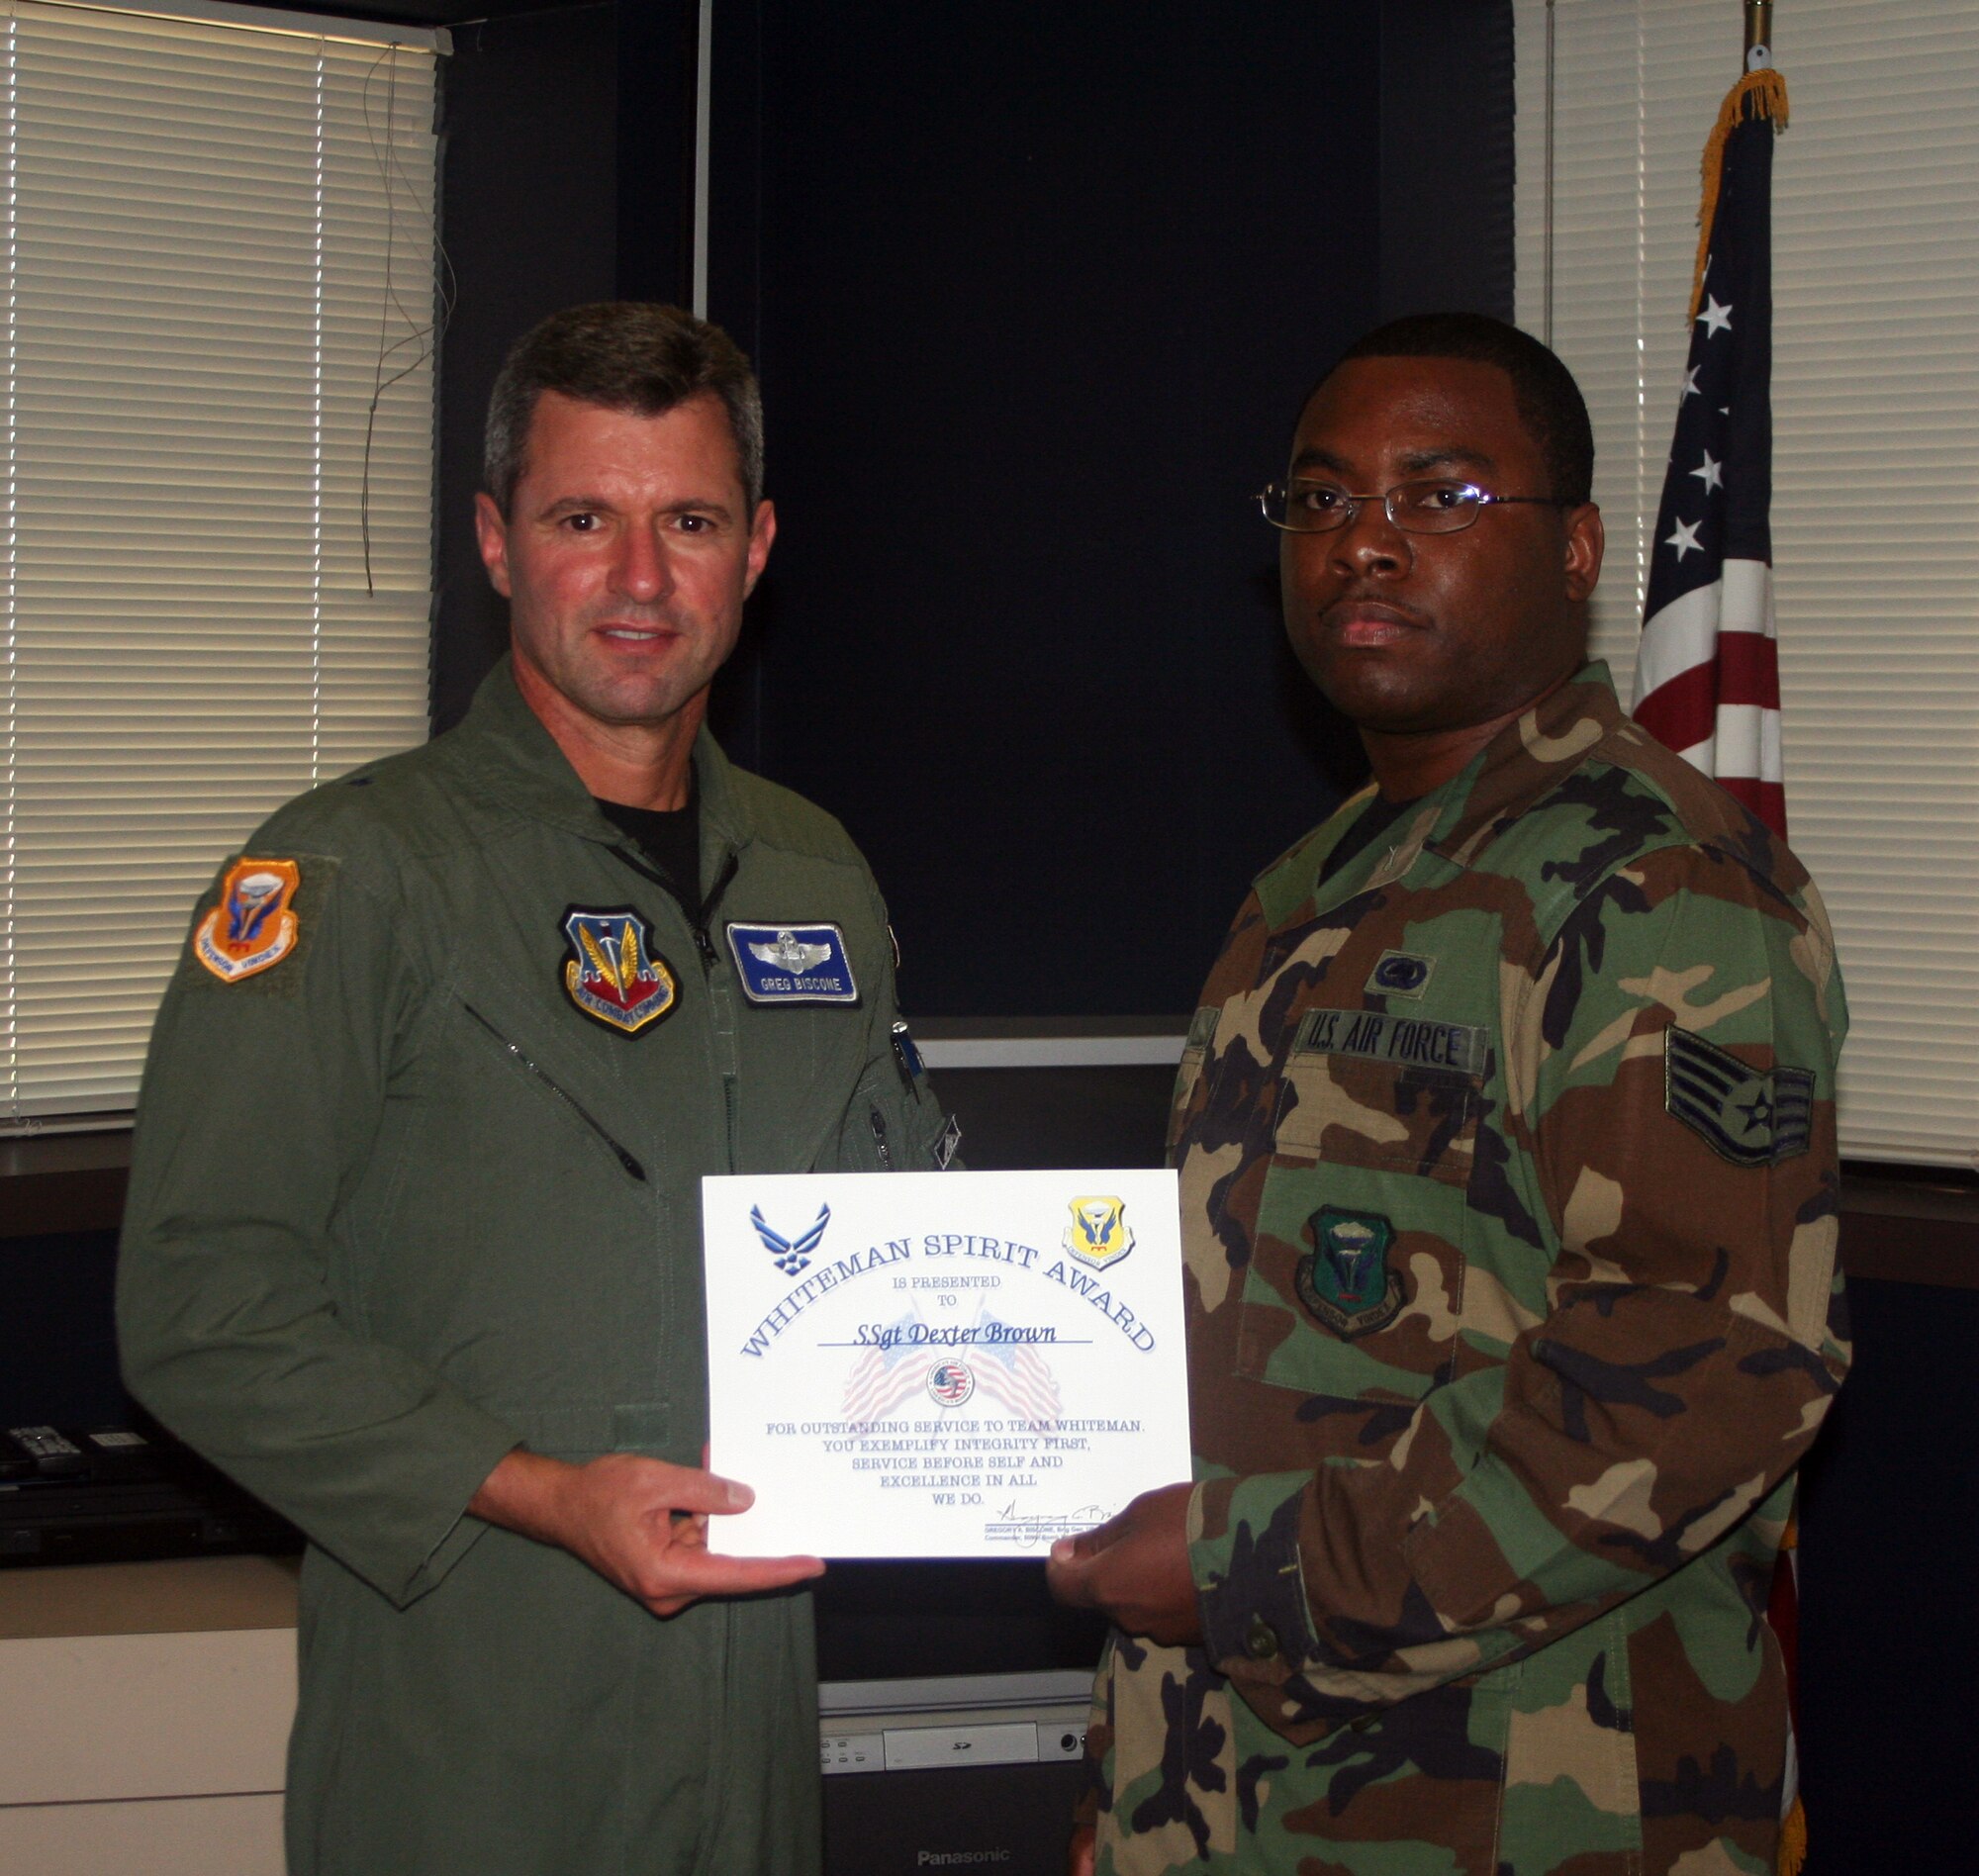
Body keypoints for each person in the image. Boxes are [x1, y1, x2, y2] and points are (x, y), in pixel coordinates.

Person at [116, 302, 957, 1876]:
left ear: (755, 547)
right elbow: (200, 1306)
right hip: (474, 1736)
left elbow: (893, 1231)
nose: (641, 580)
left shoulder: (816, 871)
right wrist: (545, 1495)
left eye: (687, 520)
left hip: (754, 1735)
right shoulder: (351, 872)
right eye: (586, 518)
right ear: (499, 542)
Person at [1047, 313, 1847, 1874]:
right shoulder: (1318, 884)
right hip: (1237, 1799)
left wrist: (1243, 1575)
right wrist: (1142, 1796)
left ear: (1577, 551)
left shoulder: (1661, 883)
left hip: (1520, 1806)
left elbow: (1691, 1373)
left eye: (1444, 495)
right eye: (1323, 499)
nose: (1366, 543)